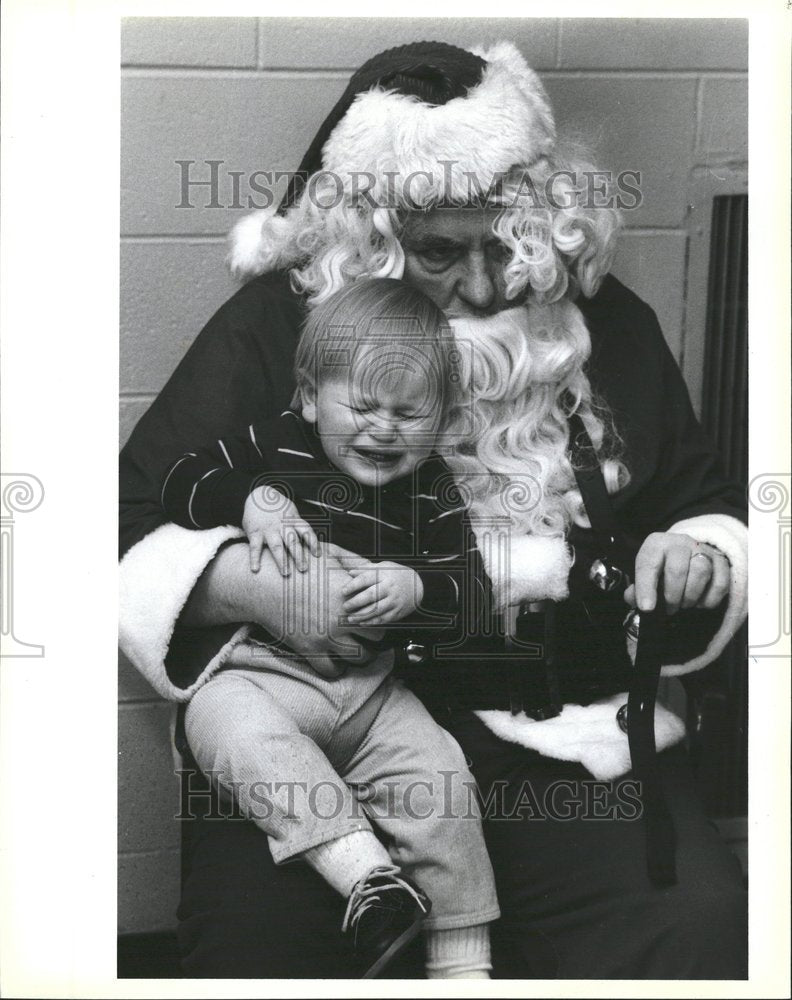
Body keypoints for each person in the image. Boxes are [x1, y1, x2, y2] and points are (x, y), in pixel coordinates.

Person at [119, 40, 748, 978]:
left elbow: (703, 502)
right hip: (324, 735)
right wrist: (262, 588)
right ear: (370, 242)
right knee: (262, 954)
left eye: (506, 245)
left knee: (694, 926)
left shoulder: (599, 323)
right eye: (441, 255)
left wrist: (696, 558)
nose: (488, 289)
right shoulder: (284, 330)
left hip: (556, 732)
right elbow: (134, 512)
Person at [159, 278, 500, 979]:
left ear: (441, 419)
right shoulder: (273, 446)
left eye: (409, 413)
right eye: (363, 405)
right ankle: (370, 882)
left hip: (375, 692)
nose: (384, 428)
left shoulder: (430, 490)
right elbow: (178, 479)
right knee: (222, 724)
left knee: (442, 778)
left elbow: (475, 602)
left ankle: (464, 966)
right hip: (263, 674)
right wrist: (249, 500)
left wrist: (417, 587)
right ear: (312, 396)